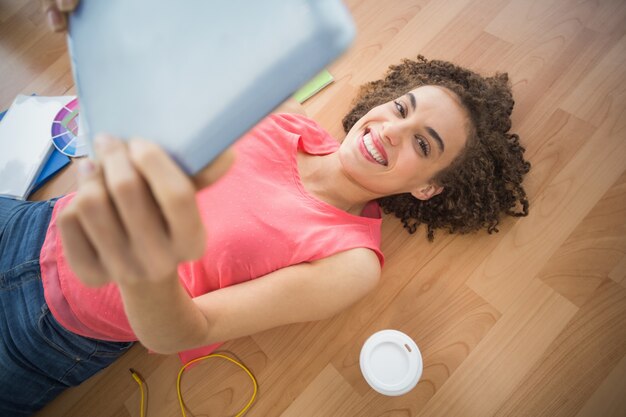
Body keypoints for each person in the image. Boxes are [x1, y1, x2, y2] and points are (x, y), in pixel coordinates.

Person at [0, 2, 531, 416]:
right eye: (400, 108)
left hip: (47, 333)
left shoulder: (351, 262)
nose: (390, 131)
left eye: (423, 144)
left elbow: (183, 333)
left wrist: (145, 258)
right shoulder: (283, 116)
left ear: (428, 188)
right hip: (31, 221)